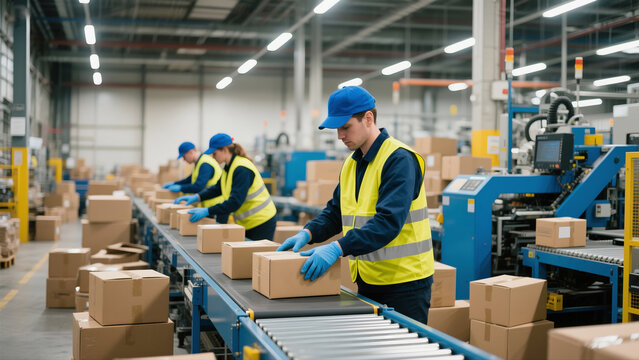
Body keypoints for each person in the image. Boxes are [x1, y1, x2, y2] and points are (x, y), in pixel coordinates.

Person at [277, 86, 435, 324]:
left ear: (368, 118)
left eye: (345, 127)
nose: (340, 135)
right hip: (368, 279)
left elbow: (387, 223)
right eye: (337, 129)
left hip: (405, 284)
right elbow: (335, 213)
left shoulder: (399, 159)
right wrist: (308, 232)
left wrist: (337, 248)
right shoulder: (352, 163)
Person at [174, 134, 277, 240]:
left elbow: (235, 202)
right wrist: (197, 197)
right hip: (248, 222)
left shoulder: (241, 169)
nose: (213, 157)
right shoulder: (228, 168)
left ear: (224, 150)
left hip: (262, 221)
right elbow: (217, 189)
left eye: (214, 153)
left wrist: (208, 210)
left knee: (256, 255)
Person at [163, 141, 223, 207]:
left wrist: (181, 188)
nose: (184, 160)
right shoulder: (199, 162)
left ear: (191, 152)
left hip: (216, 205)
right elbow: (190, 179)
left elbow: (198, 186)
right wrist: (175, 183)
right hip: (209, 204)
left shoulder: (205, 164)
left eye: (184, 157)